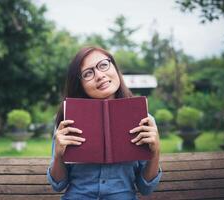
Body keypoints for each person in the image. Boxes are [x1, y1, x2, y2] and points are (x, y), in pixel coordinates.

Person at [47, 46, 162, 199]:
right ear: (79, 84)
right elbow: (58, 185)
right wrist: (58, 156)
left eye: (103, 65)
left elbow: (146, 188)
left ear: (114, 67)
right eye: (88, 73)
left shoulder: (144, 119)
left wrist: (155, 152)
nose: (100, 75)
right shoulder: (67, 121)